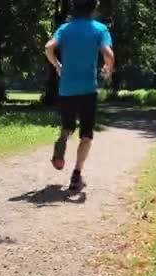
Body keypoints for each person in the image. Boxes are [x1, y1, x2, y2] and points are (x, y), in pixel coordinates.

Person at [44, 0, 115, 191]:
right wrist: (108, 69)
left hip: (66, 89)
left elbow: (48, 47)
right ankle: (76, 176)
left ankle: (63, 138)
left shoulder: (65, 29)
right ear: (94, 7)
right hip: (88, 89)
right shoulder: (100, 29)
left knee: (68, 126)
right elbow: (108, 54)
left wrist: (57, 65)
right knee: (86, 135)